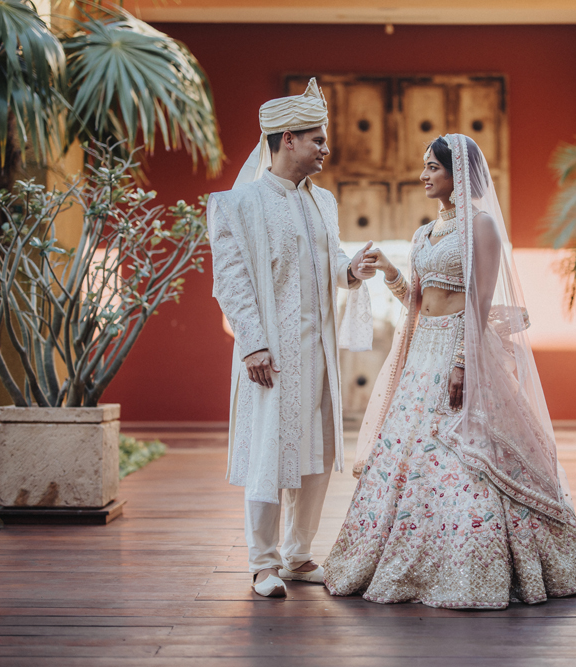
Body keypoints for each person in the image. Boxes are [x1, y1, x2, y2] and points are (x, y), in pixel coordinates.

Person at [323, 134, 576, 609]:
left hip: (460, 349)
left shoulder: (482, 227)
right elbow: (417, 301)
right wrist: (391, 271)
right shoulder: (424, 234)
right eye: (424, 166)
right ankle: (411, 559)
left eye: (433, 167)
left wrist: (461, 364)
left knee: (467, 457)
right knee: (409, 460)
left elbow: (479, 303)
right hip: (420, 357)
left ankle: (474, 565)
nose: (423, 175)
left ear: (459, 175)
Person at [209, 79, 377, 598]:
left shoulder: (322, 201)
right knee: (268, 450)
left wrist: (351, 271)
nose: (326, 149)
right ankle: (263, 563)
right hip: (270, 353)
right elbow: (231, 280)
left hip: (317, 349)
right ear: (286, 139)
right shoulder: (239, 204)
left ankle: (299, 555)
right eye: (317, 140)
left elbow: (325, 265)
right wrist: (253, 344)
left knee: (317, 451)